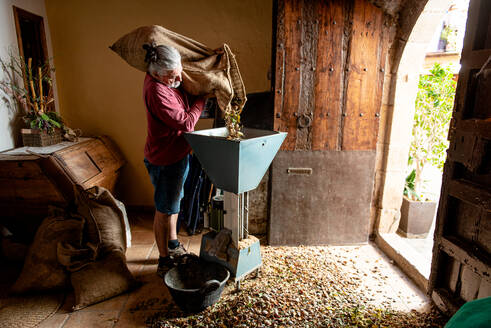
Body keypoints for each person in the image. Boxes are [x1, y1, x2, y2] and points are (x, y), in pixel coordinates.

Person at [142, 43, 206, 277]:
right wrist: (202, 99)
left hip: (176, 155)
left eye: (179, 71)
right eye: (172, 75)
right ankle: (163, 260)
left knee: (174, 204)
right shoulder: (157, 91)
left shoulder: (166, 80)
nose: (178, 77)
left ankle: (173, 244)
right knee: (164, 209)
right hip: (165, 160)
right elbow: (187, 123)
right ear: (157, 74)